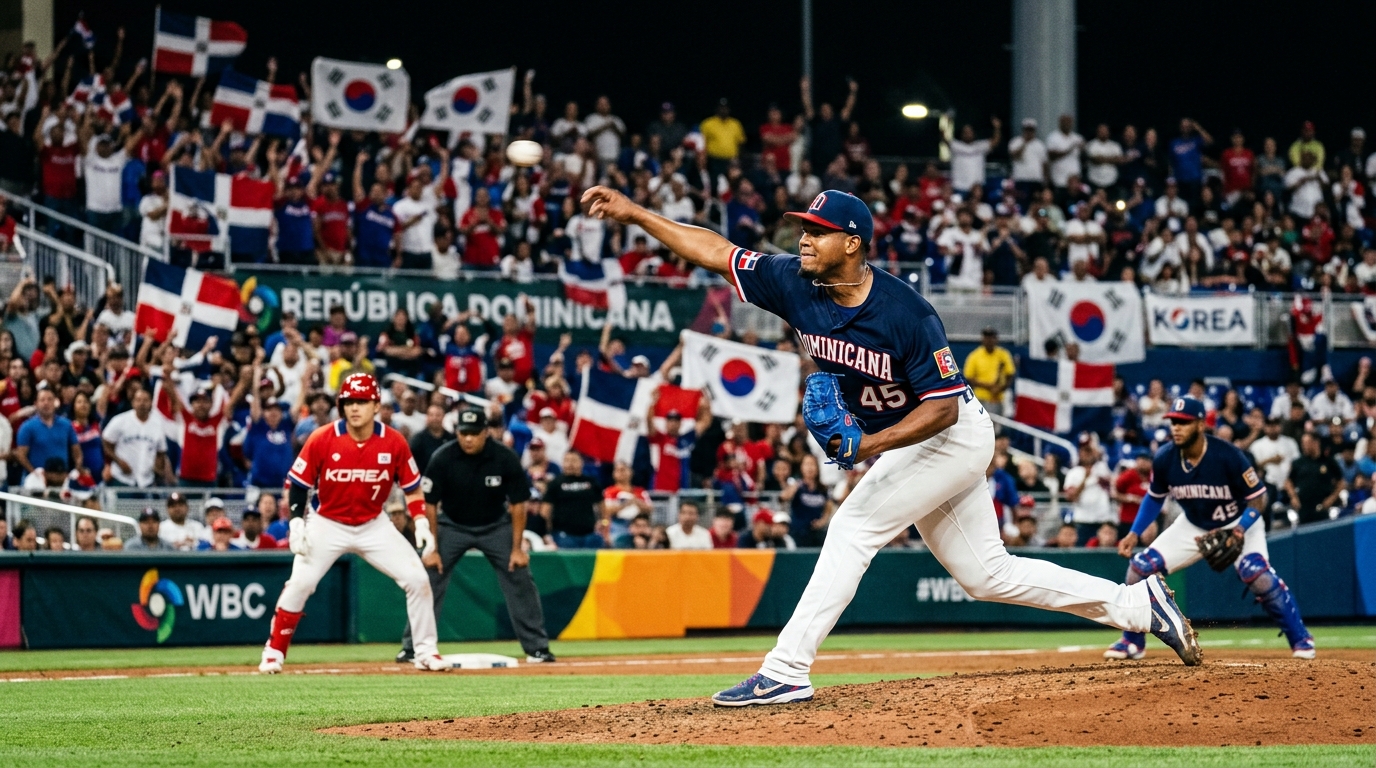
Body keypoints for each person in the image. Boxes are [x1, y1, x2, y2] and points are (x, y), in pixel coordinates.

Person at [580, 182, 1200, 707]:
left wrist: (870, 444)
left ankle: (786, 669)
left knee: (853, 527)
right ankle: (1138, 605)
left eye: (817, 232)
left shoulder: (907, 313)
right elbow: (717, 251)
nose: (803, 239)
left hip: (952, 434)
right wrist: (636, 213)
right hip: (917, 441)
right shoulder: (793, 282)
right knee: (987, 574)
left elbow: (942, 407)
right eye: (803, 229)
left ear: (852, 243)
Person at [259, 373, 446, 673]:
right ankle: (274, 651)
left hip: (374, 523)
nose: (354, 408)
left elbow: (412, 487)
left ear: (376, 405)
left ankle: (425, 651)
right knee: (301, 583)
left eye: (362, 401)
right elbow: (298, 484)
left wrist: (421, 521)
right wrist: (296, 522)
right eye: (348, 402)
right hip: (327, 522)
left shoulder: (393, 441)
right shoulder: (322, 437)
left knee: (417, 580)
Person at [1106, 396, 1315, 661]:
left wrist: (1240, 529)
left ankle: (1300, 638)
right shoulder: (1165, 457)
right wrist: (1135, 532)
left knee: (1257, 575)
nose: (1176, 428)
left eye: (1183, 422)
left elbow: (1258, 498)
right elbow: (1155, 497)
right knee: (1139, 569)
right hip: (1193, 524)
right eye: (1173, 422)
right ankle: (1132, 641)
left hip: (1238, 522)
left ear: (1200, 424)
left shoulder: (1227, 455)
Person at [396, 406, 554, 664]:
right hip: (452, 524)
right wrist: (432, 547)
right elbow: (430, 504)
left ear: (485, 432)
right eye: (463, 433)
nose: (468, 438)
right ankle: (412, 647)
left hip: (495, 525)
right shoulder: (443, 456)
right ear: (457, 432)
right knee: (427, 577)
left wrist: (517, 548)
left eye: (474, 433)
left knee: (520, 575)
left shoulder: (504, 457)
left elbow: (518, 504)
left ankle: (537, 648)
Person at [102, 387, 171, 487]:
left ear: (151, 403)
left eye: (145, 400)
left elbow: (161, 451)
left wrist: (158, 469)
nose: (142, 403)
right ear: (133, 403)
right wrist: (119, 461)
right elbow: (106, 442)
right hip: (122, 479)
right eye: (138, 400)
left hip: (146, 480)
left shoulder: (158, 424)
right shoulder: (120, 421)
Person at [14, 388, 81, 481]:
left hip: (62, 479)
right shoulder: (27, 427)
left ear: (55, 402)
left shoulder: (66, 425)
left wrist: (76, 471)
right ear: (36, 403)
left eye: (50, 399)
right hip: (36, 480)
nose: (46, 403)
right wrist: (34, 474)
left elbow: (77, 452)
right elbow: (21, 455)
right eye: (42, 400)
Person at [542, 451, 605, 549]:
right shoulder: (555, 484)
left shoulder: (591, 482)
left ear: (581, 462)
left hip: (590, 534)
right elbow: (545, 511)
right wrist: (546, 533)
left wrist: (604, 523)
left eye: (574, 460)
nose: (570, 464)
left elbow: (602, 507)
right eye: (567, 460)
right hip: (563, 535)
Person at [1285, 432, 1344, 525]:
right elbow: (1288, 481)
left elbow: (1341, 482)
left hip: (1324, 506)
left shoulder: (1328, 461)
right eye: (1303, 443)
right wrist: (1293, 497)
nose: (1304, 446)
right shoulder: (1298, 463)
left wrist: (1332, 498)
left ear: (1316, 443)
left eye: (1307, 443)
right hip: (1304, 506)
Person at [961, 328, 1015, 415]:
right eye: (986, 338)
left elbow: (1010, 374)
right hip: (980, 397)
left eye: (991, 337)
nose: (989, 340)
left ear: (996, 339)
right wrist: (989, 386)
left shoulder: (1003, 354)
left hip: (998, 397)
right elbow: (969, 377)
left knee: (996, 422)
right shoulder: (975, 355)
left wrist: (1000, 388)